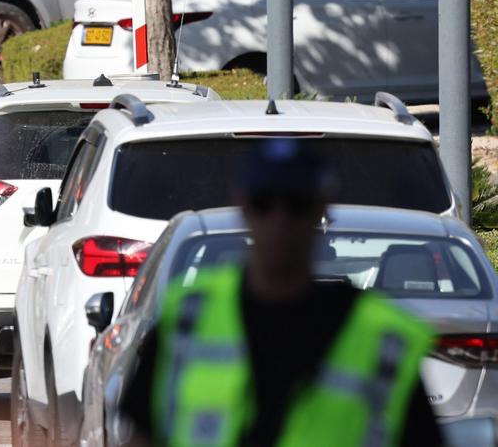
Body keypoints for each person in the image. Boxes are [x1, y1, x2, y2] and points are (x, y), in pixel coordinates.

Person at [118, 138, 443, 446]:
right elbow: (141, 434)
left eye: (297, 205)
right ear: (243, 205)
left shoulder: (380, 335)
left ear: (321, 210)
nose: (280, 220)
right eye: (264, 203)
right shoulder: (189, 316)